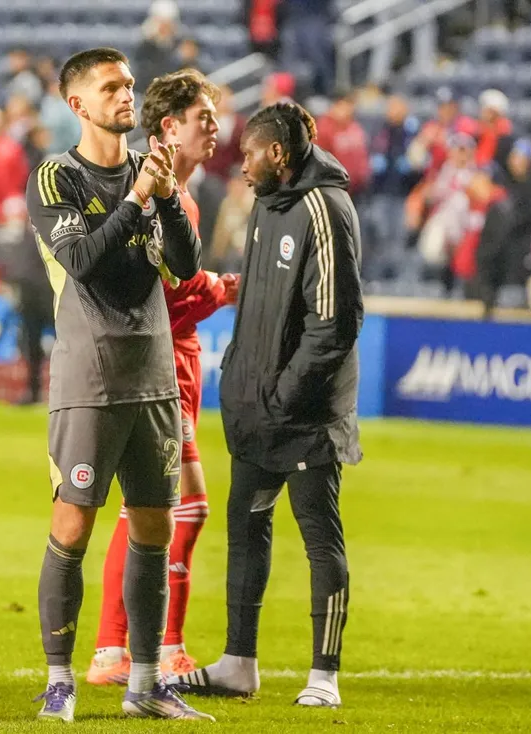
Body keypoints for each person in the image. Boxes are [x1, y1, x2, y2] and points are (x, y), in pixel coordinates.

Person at [26, 47, 209, 723]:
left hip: (154, 375)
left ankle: (144, 682)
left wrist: (169, 198)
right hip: (89, 375)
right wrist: (137, 201)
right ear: (78, 104)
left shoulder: (151, 171)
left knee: (154, 528)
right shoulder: (56, 177)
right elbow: (81, 260)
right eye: (112, 86)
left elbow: (185, 268)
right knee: (72, 527)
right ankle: (59, 680)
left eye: (129, 84)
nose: (126, 95)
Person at [170, 102, 362, 709]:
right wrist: (244, 387)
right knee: (246, 531)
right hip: (255, 413)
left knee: (318, 538)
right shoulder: (265, 202)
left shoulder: (324, 209)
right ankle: (237, 663)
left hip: (304, 418)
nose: (241, 164)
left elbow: (334, 323)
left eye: (249, 154)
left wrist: (284, 395)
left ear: (278, 154)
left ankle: (323, 678)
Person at [88, 68, 239, 686]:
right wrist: (227, 289)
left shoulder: (188, 196)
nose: (216, 129)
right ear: (168, 127)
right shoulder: (153, 192)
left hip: (176, 361)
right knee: (179, 507)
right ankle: (159, 647)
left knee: (154, 509)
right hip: (158, 363)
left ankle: (112, 650)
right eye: (205, 118)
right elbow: (167, 295)